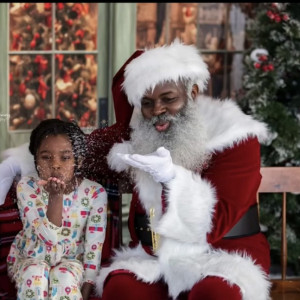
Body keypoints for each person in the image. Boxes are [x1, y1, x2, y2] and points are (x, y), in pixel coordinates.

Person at [93, 40, 271, 300]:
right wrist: (26, 160)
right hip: (154, 254)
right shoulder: (141, 133)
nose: (158, 110)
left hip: (224, 254)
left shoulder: (235, 136)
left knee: (214, 293)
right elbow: (73, 152)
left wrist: (172, 179)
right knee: (122, 290)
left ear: (193, 93)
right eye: (147, 102)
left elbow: (213, 225)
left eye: (169, 99)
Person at [6, 119, 107, 300]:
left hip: (71, 261)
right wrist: (55, 197)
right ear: (35, 159)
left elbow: (94, 245)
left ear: (79, 161)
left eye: (65, 157)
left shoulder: (94, 192)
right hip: (30, 257)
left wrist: (88, 283)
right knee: (35, 274)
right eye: (46, 157)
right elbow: (49, 237)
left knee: (65, 277)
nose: (55, 165)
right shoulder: (27, 186)